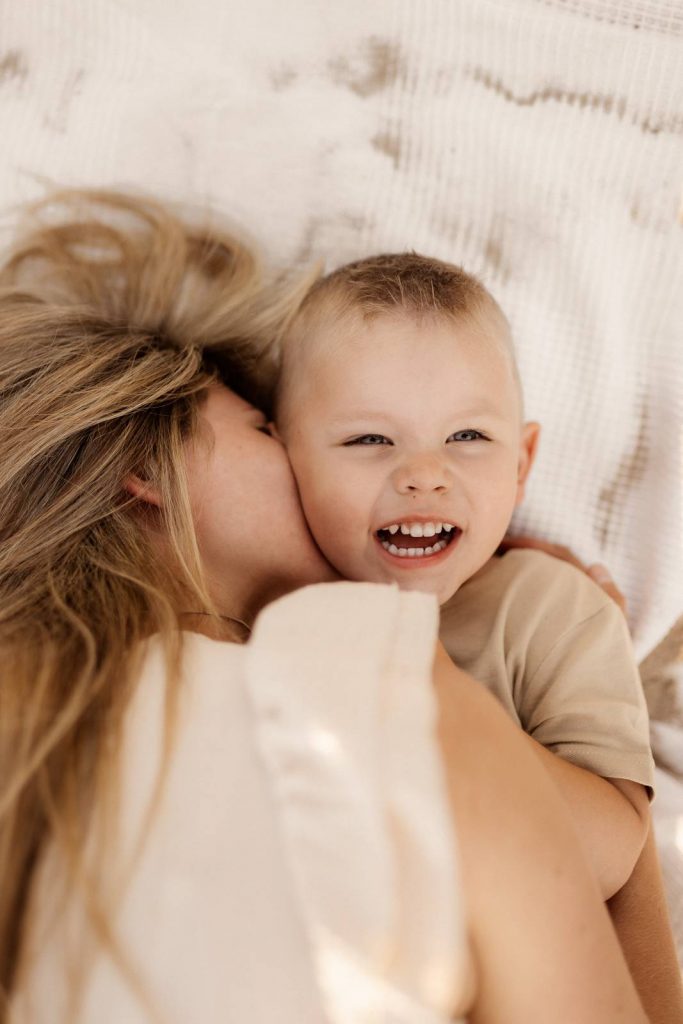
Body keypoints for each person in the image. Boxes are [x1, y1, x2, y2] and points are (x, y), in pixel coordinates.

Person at [0, 190, 649, 1023]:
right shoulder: (376, 675)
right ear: (149, 472)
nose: (417, 477)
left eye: (467, 439)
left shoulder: (36, 711)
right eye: (265, 432)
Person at [273, 251, 683, 1019]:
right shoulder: (278, 622)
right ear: (284, 455)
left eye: (466, 435)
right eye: (368, 440)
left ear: (522, 463)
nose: (423, 474)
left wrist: (429, 698)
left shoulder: (548, 608)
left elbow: (611, 851)